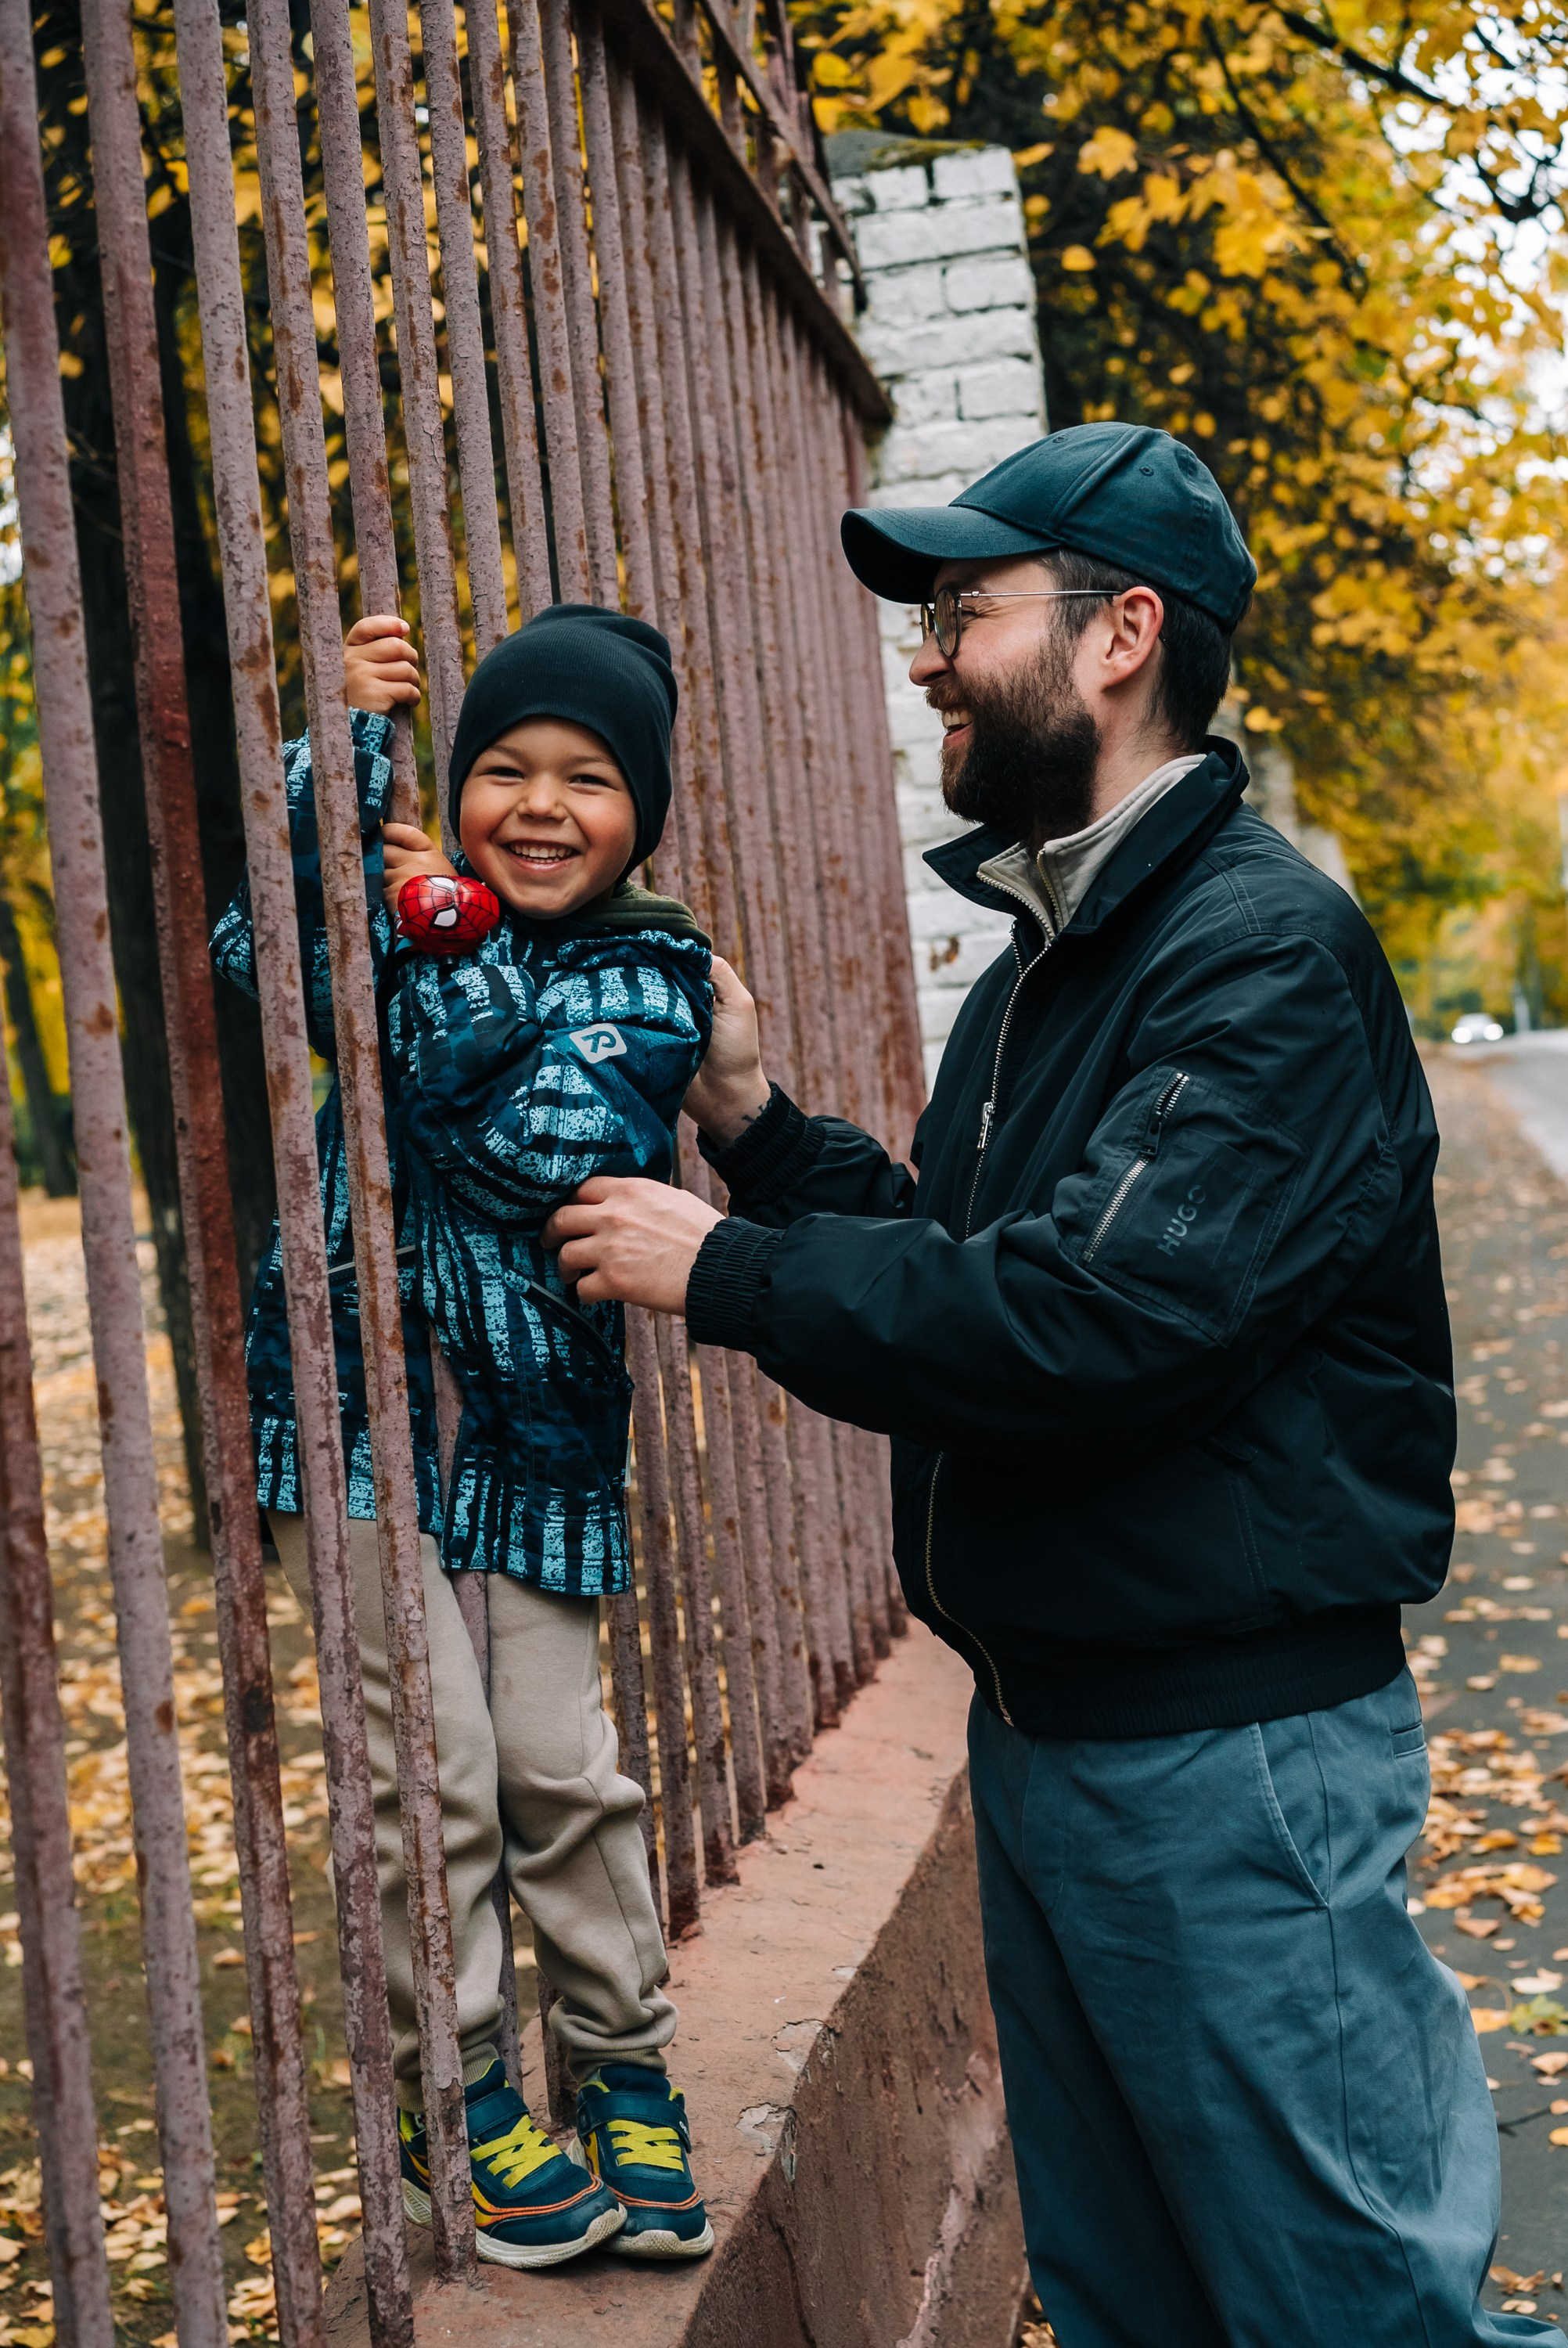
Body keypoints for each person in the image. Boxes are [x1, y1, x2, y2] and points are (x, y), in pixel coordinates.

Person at [542, 423, 1563, 2343]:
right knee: (1136, 2304)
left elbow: (1099, 1324)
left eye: (964, 609)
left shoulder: (1253, 948)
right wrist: (759, 1132)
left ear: (1121, 638)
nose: (927, 656)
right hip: (1060, 1734)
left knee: (1351, 2311)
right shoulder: (1062, 954)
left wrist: (734, 1271)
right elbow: (978, 1252)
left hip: (1229, 1762)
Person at [211, 603, 715, 2268]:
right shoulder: (400, 911)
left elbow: (538, 1151)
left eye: (589, 777)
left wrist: (446, 942)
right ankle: (467, 2094)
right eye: (502, 768)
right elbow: (250, 950)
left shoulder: (653, 972)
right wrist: (339, 765)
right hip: (352, 1422)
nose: (544, 803)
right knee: (432, 1782)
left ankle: (625, 2063)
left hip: (536, 1441)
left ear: (642, 810)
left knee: (563, 1773)